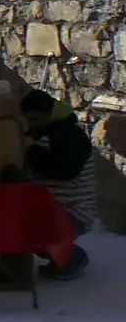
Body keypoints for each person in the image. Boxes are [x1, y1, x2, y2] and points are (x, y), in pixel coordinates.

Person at [22, 89, 96, 279]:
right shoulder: (41, 132)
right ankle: (62, 255)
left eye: (34, 119)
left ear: (48, 115)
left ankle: (71, 257)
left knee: (30, 231)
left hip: (73, 210)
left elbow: (65, 170)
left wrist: (33, 154)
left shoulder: (71, 136)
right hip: (51, 207)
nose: (30, 123)